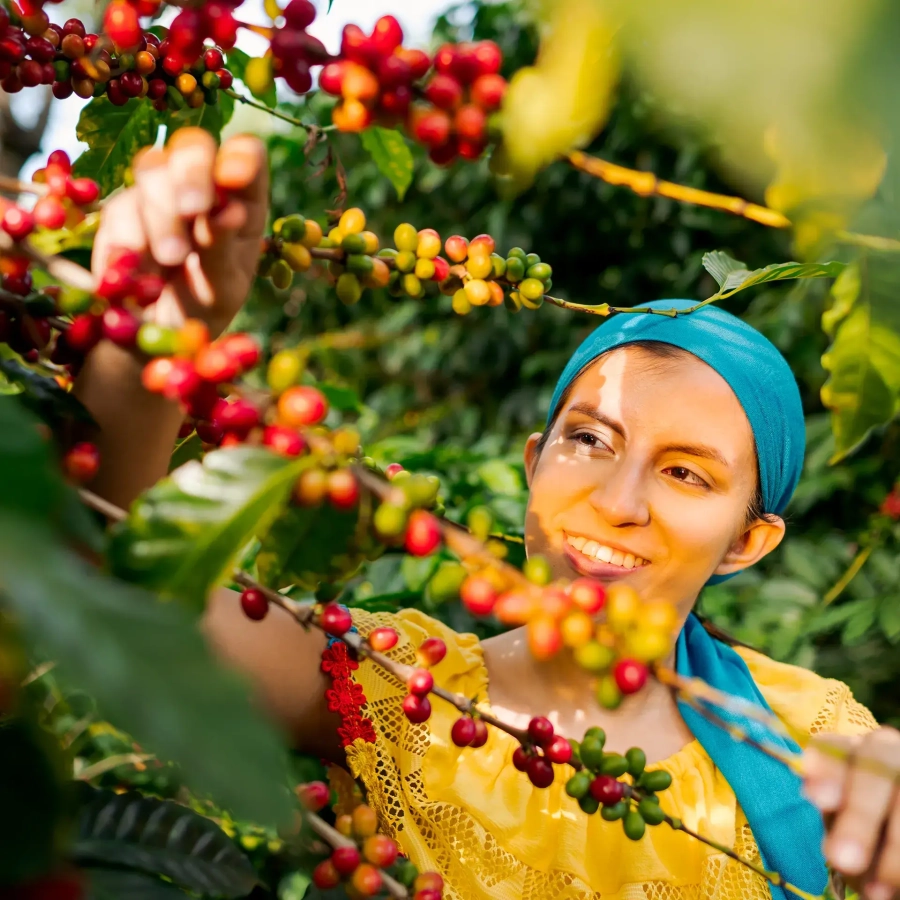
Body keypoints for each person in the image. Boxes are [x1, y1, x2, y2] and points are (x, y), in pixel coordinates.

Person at [75, 129, 900, 900]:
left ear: (747, 541)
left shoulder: (809, 737)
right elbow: (125, 599)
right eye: (590, 440)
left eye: (686, 474)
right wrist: (150, 340)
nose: (617, 503)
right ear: (536, 462)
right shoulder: (408, 689)